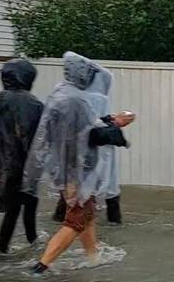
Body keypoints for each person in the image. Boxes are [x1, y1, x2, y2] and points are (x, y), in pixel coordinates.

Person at [24, 52, 135, 275]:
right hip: (77, 172)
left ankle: (92, 257)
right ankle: (40, 267)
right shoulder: (75, 99)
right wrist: (117, 130)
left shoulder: (61, 94)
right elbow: (89, 135)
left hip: (64, 169)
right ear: (82, 73)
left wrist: (109, 120)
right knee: (76, 221)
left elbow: (79, 128)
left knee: (87, 215)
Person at [0, 59, 44, 253]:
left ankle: (24, 243)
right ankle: (14, 247)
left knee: (17, 206)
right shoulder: (32, 103)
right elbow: (35, 137)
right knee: (22, 205)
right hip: (21, 165)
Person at [52, 66, 124, 225]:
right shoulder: (98, 99)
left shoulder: (69, 96)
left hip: (76, 157)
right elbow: (96, 128)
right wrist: (114, 125)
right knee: (101, 197)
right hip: (93, 155)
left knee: (73, 199)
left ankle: (65, 225)